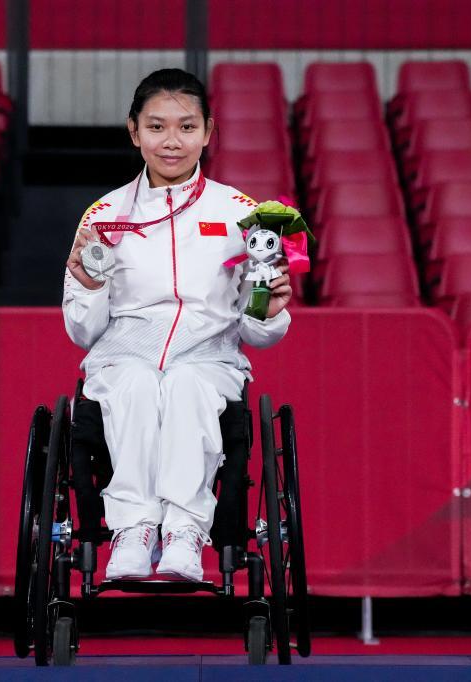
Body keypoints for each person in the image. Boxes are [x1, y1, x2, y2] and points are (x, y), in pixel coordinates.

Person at [62, 68, 292, 581]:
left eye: (187, 128)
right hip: (124, 355)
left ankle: (185, 531)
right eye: (157, 127)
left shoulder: (244, 215)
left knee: (186, 385)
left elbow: (257, 332)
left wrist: (269, 311)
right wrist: (92, 288)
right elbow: (81, 331)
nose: (172, 142)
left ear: (208, 131)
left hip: (208, 356)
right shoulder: (102, 215)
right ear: (134, 131)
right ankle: (133, 530)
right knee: (139, 385)